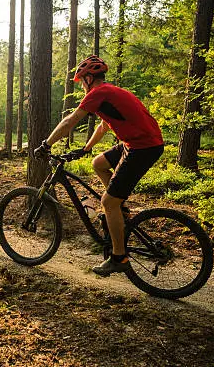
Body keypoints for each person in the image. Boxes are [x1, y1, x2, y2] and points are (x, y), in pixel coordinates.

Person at [34, 55, 164, 276]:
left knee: (108, 202)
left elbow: (69, 121)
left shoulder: (99, 93)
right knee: (98, 163)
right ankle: (120, 209)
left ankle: (118, 257)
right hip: (137, 143)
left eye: (82, 80)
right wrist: (86, 148)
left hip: (142, 147)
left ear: (88, 78)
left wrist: (46, 144)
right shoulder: (110, 94)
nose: (82, 85)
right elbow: (104, 126)